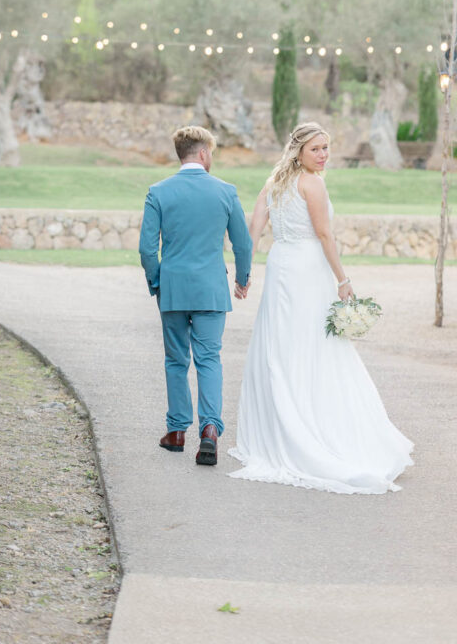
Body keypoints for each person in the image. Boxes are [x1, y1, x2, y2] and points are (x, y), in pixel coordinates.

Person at [228, 121, 413, 493]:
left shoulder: (273, 183)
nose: (323, 154)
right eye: (316, 148)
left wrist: (244, 274)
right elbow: (324, 234)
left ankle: (282, 423)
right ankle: (311, 426)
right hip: (306, 268)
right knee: (312, 346)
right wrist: (343, 280)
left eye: (326, 148)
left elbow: (254, 231)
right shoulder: (311, 183)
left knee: (283, 344)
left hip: (283, 265)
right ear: (298, 150)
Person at [139, 125, 252, 466]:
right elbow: (243, 243)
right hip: (211, 289)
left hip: (173, 288)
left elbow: (147, 248)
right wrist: (242, 279)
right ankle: (210, 430)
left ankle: (175, 432)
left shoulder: (158, 192)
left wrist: (158, 282)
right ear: (203, 153)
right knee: (208, 359)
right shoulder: (226, 191)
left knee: (176, 360)